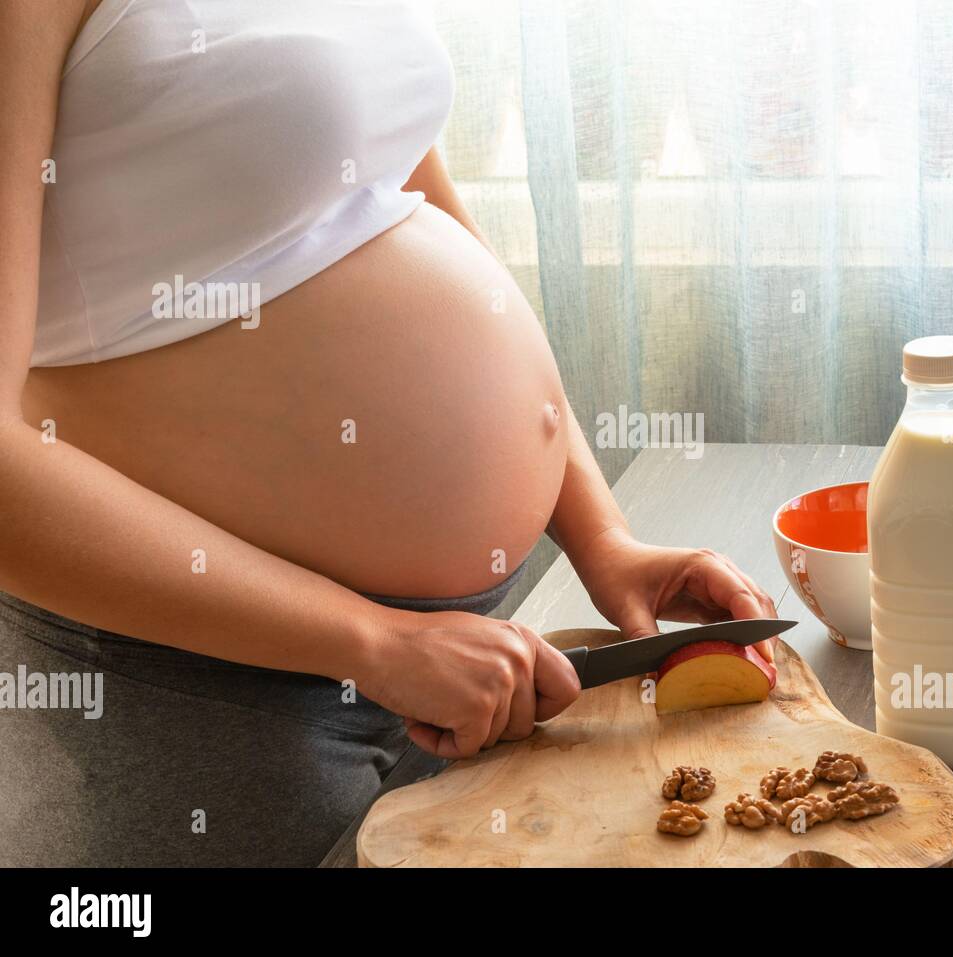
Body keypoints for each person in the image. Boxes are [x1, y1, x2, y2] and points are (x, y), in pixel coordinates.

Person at [0, 0, 776, 866]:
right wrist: (372, 642)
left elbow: (405, 196)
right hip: (209, 698)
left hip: (469, 669)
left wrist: (602, 538)